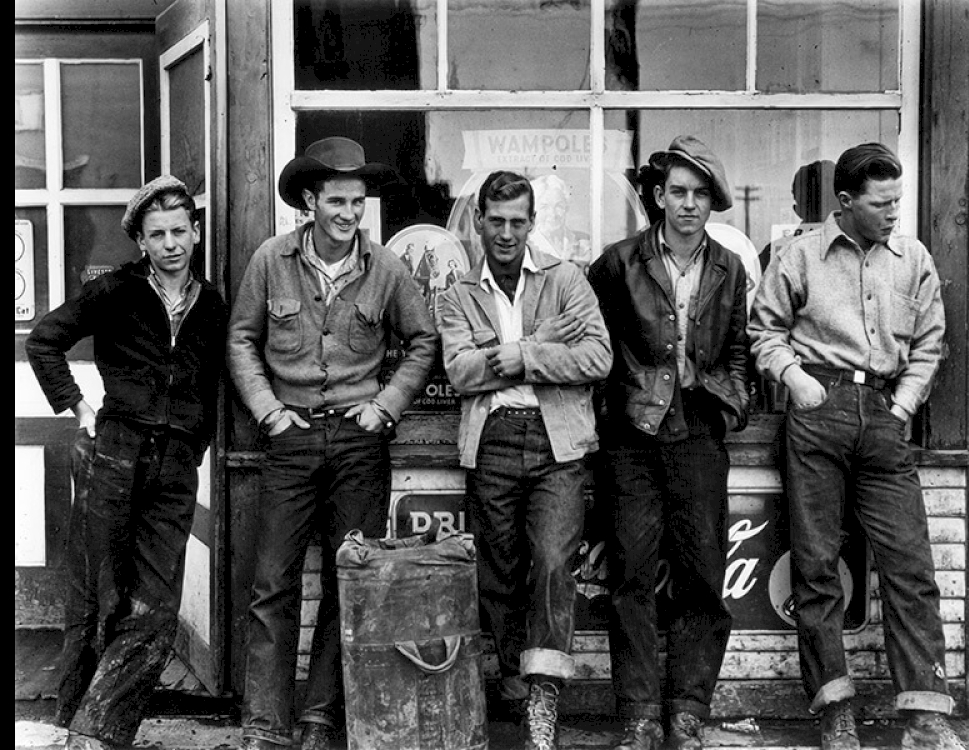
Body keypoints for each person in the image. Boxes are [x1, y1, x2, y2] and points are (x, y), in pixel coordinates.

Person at [747, 142, 964, 750]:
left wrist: (902, 405)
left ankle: (924, 714)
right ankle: (834, 708)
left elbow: (930, 342)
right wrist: (798, 382)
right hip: (818, 413)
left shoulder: (912, 257)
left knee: (911, 567)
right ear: (845, 202)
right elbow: (763, 330)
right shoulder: (800, 257)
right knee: (816, 568)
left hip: (886, 416)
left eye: (898, 199)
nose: (895, 211)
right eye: (881, 202)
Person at [227, 136, 438, 750]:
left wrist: (385, 406)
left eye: (357, 202)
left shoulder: (387, 269)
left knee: (352, 582)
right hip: (289, 440)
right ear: (310, 203)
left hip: (357, 442)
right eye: (337, 201)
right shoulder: (272, 259)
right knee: (273, 582)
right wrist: (268, 410)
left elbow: (423, 341)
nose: (349, 214)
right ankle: (266, 725)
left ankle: (320, 718)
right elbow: (242, 339)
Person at [25, 175, 229, 750]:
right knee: (97, 599)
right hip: (112, 456)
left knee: (155, 607)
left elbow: (210, 384)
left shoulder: (210, 303)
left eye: (179, 231)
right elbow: (44, 341)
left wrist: (193, 448)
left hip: (173, 469)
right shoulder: (115, 290)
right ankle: (74, 723)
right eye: (157, 234)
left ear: (194, 232)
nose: (171, 244)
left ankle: (100, 733)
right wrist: (82, 411)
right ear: (141, 240)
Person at [436, 171, 612, 750]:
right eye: (497, 220)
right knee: (497, 572)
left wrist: (519, 353)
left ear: (532, 223)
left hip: (556, 443)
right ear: (479, 221)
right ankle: (512, 676)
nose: (507, 232)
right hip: (491, 440)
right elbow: (459, 372)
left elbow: (597, 357)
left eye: (518, 221)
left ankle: (543, 693)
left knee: (554, 562)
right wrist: (542, 342)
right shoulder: (459, 292)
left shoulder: (566, 279)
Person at [588, 136, 750, 750]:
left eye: (699, 194)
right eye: (677, 192)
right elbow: (596, 348)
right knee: (630, 572)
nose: (688, 204)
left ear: (712, 203)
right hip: (631, 438)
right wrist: (613, 411)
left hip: (698, 434)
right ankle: (636, 714)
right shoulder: (618, 261)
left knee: (703, 573)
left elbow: (737, 350)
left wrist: (730, 400)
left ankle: (686, 712)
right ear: (658, 197)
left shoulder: (729, 267)